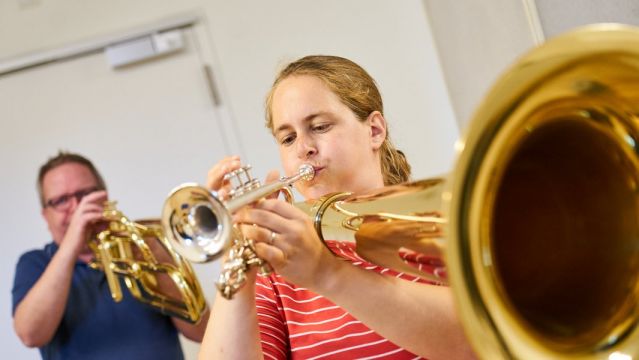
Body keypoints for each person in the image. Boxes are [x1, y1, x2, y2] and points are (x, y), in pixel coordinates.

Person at [200, 55, 475, 359]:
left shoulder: (438, 229)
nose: (304, 148)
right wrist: (237, 266)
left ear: (374, 131)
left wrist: (326, 273)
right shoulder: (279, 265)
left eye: (319, 126)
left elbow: (480, 341)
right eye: (288, 138)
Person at [12, 151, 209, 360]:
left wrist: (159, 260)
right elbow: (30, 334)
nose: (77, 207)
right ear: (46, 215)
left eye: (85, 194)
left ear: (103, 196)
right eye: (61, 200)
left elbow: (202, 331)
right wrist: (71, 245)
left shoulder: (143, 248)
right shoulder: (35, 262)